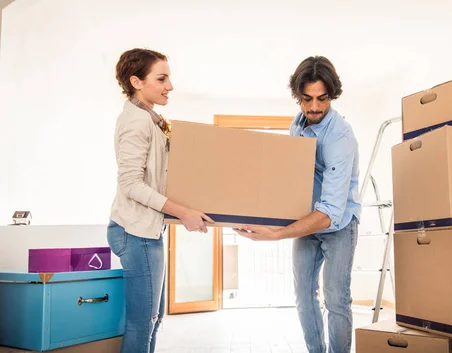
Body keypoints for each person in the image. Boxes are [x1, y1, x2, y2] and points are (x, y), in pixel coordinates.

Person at [235, 56, 361, 353]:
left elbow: (330, 212)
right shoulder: (298, 124)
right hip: (307, 219)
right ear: (297, 96)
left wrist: (278, 234)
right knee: (304, 294)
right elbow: (293, 180)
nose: (315, 107)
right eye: (307, 99)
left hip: (338, 224)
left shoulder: (341, 138)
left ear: (332, 95)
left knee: (336, 299)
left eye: (322, 99)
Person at [107, 48, 214, 353]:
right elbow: (130, 184)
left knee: (153, 320)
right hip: (134, 232)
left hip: (145, 231)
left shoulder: (149, 118)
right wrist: (184, 212)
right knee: (143, 323)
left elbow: (158, 176)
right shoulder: (136, 122)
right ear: (136, 81)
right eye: (162, 78)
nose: (170, 86)